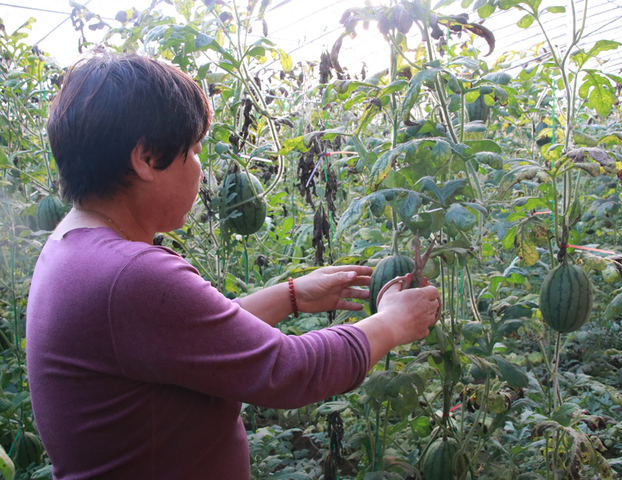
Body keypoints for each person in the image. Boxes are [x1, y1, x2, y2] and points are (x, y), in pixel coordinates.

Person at [26, 53, 441, 479]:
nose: (201, 170)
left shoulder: (72, 249)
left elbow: (183, 338)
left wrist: (290, 296)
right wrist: (392, 323)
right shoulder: (129, 274)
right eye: (194, 150)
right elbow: (288, 370)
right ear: (146, 158)